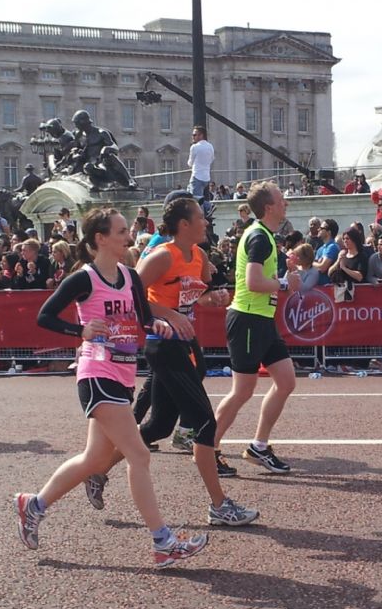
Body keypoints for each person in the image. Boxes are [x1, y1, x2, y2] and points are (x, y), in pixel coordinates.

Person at [15, 208, 209, 568]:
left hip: (123, 374)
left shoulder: (130, 277)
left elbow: (143, 318)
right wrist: (81, 331)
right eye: (120, 231)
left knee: (95, 459)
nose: (128, 236)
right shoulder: (83, 279)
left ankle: (34, 504)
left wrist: (161, 325)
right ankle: (162, 542)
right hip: (95, 372)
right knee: (139, 454)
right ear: (100, 239)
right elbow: (44, 316)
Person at [93, 198, 258, 525]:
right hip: (162, 344)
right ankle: (219, 505)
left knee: (158, 426)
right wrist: (166, 314)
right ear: (184, 224)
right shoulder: (162, 255)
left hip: (184, 344)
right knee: (206, 424)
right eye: (201, 218)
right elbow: (130, 295)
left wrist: (213, 299)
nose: (207, 223)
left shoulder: (198, 256)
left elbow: (194, 296)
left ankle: (96, 472)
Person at [213, 182, 301, 475]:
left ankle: (259, 447)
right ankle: (208, 448)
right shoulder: (259, 237)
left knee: (286, 382)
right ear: (269, 207)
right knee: (242, 391)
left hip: (261, 319)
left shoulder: (264, 236)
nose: (286, 203)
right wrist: (285, 283)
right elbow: (253, 283)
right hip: (248, 319)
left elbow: (261, 279)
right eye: (281, 199)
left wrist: (282, 276)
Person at [187, 125, 215, 200]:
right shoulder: (210, 146)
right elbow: (212, 159)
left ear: (201, 135)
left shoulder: (194, 147)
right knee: (191, 194)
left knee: (195, 200)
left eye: (194, 135)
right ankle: (208, 206)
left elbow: (190, 163)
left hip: (197, 176)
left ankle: (207, 208)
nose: (193, 137)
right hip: (206, 177)